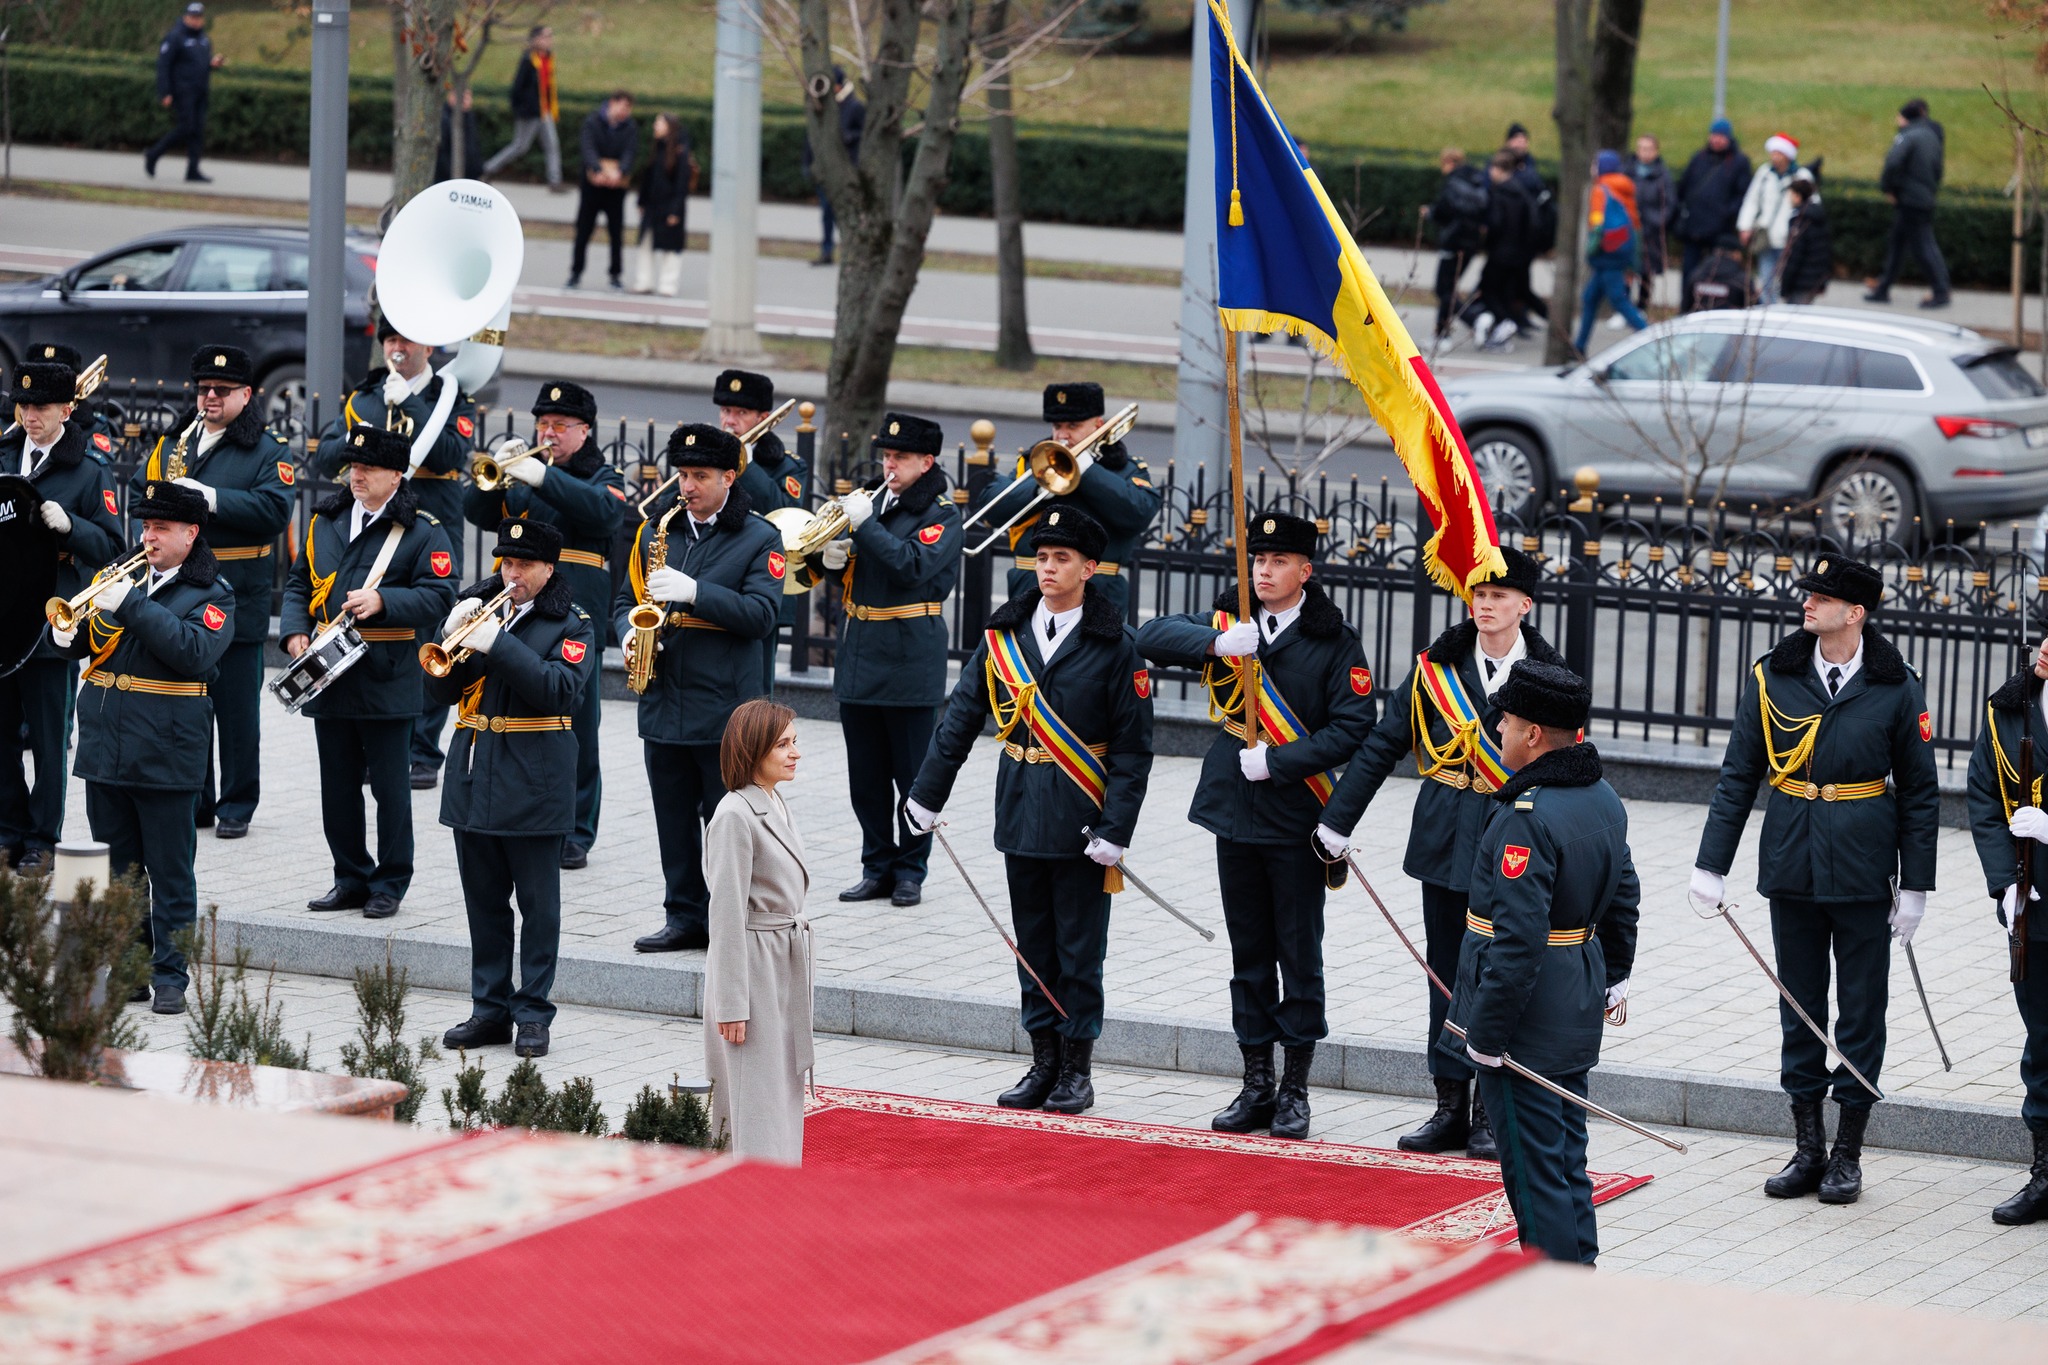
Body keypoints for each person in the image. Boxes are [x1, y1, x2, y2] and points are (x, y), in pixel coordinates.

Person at [1692, 556, 1940, 1206]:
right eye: (1810, 593)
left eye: (1823, 596)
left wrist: (1916, 883)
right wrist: (1710, 863)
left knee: (1861, 1011)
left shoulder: (1895, 685)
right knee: (1799, 1006)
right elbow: (1739, 773)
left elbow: (1919, 790)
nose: (1809, 603)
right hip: (1793, 864)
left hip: (1862, 870)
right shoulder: (1776, 675)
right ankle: (1807, 1146)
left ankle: (1848, 1151)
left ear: (1855, 613)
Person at [1134, 512, 1375, 1140]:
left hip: (1295, 816)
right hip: (1235, 814)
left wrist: (1279, 760)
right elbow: (1149, 635)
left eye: (1277, 562)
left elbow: (1353, 726)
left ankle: (1295, 1088)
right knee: (1248, 954)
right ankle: (1255, 1082)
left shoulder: (1334, 642)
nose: (1263, 571)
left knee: (1297, 953)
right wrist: (1217, 645)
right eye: (1257, 561)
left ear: (1305, 571)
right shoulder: (1231, 623)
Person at [906, 508, 1154, 1115]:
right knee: (1032, 945)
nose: (1048, 568)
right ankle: (1042, 1061)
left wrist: (1117, 830)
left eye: (1062, 558)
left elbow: (1132, 748)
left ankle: (1076, 1069)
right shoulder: (1005, 636)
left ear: (1089, 569)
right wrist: (925, 793)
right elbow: (962, 715)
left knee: (1079, 948)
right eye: (1042, 557)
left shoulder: (1115, 645)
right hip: (1020, 807)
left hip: (1081, 815)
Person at [1314, 547, 1558, 1161]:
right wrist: (1336, 821)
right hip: (1448, 838)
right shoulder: (1435, 668)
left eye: (1498, 596)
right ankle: (1450, 1102)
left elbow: (1567, 765)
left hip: (1516, 842)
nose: (1483, 605)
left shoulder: (1551, 674)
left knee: (1501, 971)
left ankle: (1489, 1110)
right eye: (1477, 594)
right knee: (1447, 974)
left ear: (1524, 605)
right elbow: (1382, 745)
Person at [1446, 660, 1638, 1267]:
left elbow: (1518, 941)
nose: (1498, 730)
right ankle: (1580, 1277)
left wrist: (1487, 1035)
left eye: (1506, 721)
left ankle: (1554, 1297)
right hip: (1576, 992)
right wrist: (1613, 977)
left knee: (1533, 1173)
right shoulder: (1602, 798)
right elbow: (1625, 896)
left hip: (1525, 1013)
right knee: (1565, 1158)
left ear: (1533, 734)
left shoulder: (1525, 818)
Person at [53, 480, 232, 1016]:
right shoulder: (121, 578)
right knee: (119, 872)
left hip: (167, 752)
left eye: (161, 528)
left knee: (171, 871)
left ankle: (171, 975)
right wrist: (65, 638)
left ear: (191, 534)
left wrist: (130, 603)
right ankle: (130, 967)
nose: (148, 537)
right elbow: (90, 638)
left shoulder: (213, 592)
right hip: (108, 747)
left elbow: (193, 652)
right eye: (146, 526)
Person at [431, 518, 596, 1062]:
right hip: (475, 776)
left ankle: (532, 1013)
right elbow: (440, 691)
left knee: (538, 908)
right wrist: (449, 638)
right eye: (506, 562)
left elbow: (557, 691)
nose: (512, 573)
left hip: (534, 783)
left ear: (550, 568)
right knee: (484, 904)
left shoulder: (572, 625)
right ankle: (489, 1010)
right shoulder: (485, 611)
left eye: (524, 564)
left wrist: (496, 643)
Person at [280, 426, 458, 921]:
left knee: (389, 788)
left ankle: (390, 882)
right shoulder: (326, 519)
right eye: (352, 467)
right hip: (329, 671)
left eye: (369, 469)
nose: (356, 475)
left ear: (397, 475)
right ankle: (349, 876)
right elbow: (299, 582)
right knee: (336, 784)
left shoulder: (423, 529)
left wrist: (385, 601)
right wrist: (294, 631)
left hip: (386, 672)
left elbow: (442, 594)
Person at [618, 423, 783, 954]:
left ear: (729, 477)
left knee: (728, 824)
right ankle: (683, 914)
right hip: (664, 700)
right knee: (672, 821)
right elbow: (625, 601)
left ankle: (734, 922)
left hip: (724, 707)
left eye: (700, 476)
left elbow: (761, 615)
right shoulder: (655, 531)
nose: (687, 486)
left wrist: (695, 592)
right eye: (683, 474)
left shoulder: (760, 537)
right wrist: (627, 632)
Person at [131, 346, 293, 840]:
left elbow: (274, 511)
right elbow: (142, 490)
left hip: (237, 597)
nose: (211, 397)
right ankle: (198, 800)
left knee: (237, 710)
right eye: (204, 389)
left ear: (246, 394)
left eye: (222, 390)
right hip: (181, 596)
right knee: (189, 702)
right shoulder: (176, 440)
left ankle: (238, 804)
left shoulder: (269, 450)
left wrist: (210, 498)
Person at [464, 381, 624, 871]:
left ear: (584, 430)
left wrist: (542, 476)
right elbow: (476, 512)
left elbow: (603, 515)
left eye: (559, 426)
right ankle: (530, 816)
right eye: (542, 425)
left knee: (578, 724)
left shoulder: (602, 473)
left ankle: (577, 830)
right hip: (521, 607)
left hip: (577, 613)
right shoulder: (526, 476)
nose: (548, 433)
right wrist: (498, 475)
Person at [313, 317, 478, 788]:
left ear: (427, 345)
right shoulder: (363, 397)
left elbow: (449, 454)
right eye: (389, 339)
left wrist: (412, 406)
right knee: (373, 628)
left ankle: (424, 748)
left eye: (405, 338)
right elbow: (325, 457)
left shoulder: (449, 398)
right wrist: (363, 441)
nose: (396, 347)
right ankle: (377, 741)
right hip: (372, 527)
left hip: (428, 527)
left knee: (430, 633)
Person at [821, 412, 961, 908]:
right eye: (885, 456)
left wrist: (866, 527)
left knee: (912, 776)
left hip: (908, 656)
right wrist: (829, 561)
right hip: (861, 653)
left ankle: (910, 870)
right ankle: (876, 865)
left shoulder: (940, 514)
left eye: (900, 458)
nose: (889, 466)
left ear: (927, 462)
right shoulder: (875, 504)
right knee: (867, 777)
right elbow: (862, 576)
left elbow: (909, 567)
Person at [0, 360, 123, 875]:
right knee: (2, 734)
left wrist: (71, 525)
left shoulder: (88, 470)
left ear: (67, 410)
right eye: (24, 406)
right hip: (3, 617)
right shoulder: (4, 455)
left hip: (53, 625)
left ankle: (42, 838)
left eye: (42, 407)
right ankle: (7, 829)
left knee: (49, 739)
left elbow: (114, 547)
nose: (31, 415)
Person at [704, 698, 815, 1164]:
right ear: (753, 751)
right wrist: (731, 1003)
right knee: (755, 1094)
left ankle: (780, 1183)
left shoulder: (773, 799)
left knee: (778, 1085)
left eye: (795, 742)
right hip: (753, 966)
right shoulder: (734, 815)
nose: (795, 753)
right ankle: (753, 1197)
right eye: (783, 745)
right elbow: (725, 913)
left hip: (779, 961)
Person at [1966, 636, 2048, 1225]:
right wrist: (2006, 882)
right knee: (2042, 1040)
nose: (2046, 646)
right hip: (2036, 907)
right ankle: (2044, 1173)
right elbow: (1982, 797)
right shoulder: (2010, 708)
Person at [966, 383, 1160, 619]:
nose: (1062, 435)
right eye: (1057, 426)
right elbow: (992, 509)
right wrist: (1038, 487)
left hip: (1098, 589)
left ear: (1099, 425)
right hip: (1031, 586)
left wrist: (1087, 470)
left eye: (1073, 426)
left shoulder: (1125, 468)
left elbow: (1139, 512)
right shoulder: (1034, 463)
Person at [719, 369, 808, 695]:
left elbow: (783, 513)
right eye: (726, 411)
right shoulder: (709, 460)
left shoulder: (788, 465)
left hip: (762, 587)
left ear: (764, 418)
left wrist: (747, 461)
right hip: (716, 580)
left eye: (741, 413)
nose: (730, 421)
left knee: (755, 693)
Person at [1867, 98, 1951, 309]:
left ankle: (1940, 291)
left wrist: (1888, 189)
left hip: (1910, 200)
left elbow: (1893, 163)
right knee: (1899, 243)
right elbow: (1938, 170)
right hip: (1923, 197)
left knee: (1922, 245)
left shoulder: (1908, 137)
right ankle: (1883, 287)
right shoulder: (1932, 136)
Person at [1572, 150, 1648, 354]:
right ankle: (1579, 346)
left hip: (1606, 255)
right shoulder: (1624, 187)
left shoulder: (1600, 190)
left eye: (1595, 164)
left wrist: (1590, 250)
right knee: (1590, 298)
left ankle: (1651, 337)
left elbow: (1597, 223)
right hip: (1622, 251)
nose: (1592, 168)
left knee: (1619, 300)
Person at [1673, 118, 1752, 302]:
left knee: (1716, 273)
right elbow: (1683, 188)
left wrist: (1726, 213)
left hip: (1719, 230)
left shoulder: (1739, 162)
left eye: (1721, 136)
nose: (1716, 140)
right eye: (1714, 135)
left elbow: (1743, 194)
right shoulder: (1698, 158)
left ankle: (1713, 305)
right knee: (1690, 271)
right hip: (1694, 228)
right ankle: (1687, 305)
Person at [145, 2, 223, 184]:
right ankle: (153, 154)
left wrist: (212, 64)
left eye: (199, 17)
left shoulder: (204, 40)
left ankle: (192, 170)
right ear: (185, 17)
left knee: (197, 130)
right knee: (186, 127)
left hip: (200, 91)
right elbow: (163, 66)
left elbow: (200, 64)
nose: (196, 21)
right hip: (183, 91)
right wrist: (165, 92)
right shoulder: (175, 37)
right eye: (193, 17)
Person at [569, 91, 638, 290]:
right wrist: (597, 170)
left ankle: (615, 275)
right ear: (612, 104)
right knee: (583, 230)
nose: (626, 112)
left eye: (628, 109)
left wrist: (620, 172)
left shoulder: (630, 128)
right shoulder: (593, 122)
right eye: (624, 107)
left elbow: (630, 152)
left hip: (615, 189)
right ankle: (575, 272)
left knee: (616, 233)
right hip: (592, 187)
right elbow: (587, 148)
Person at [482, 25, 564, 192]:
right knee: (520, 146)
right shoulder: (528, 60)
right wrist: (522, 110)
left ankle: (555, 181)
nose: (549, 40)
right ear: (535, 39)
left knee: (552, 145)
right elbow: (517, 89)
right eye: (545, 36)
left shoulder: (548, 59)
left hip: (545, 111)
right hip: (530, 113)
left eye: (550, 36)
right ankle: (488, 168)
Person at [1472, 151, 1536, 351]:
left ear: (1499, 170)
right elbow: (1531, 223)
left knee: (1488, 289)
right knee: (1505, 292)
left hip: (1500, 251)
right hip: (1517, 253)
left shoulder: (1499, 194)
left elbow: (1495, 223)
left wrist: (1486, 238)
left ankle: (1504, 321)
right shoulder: (1522, 193)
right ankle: (1502, 329)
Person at [1425, 148, 1488, 345]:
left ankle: (1474, 320)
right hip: (1470, 244)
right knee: (1448, 289)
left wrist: (1430, 213)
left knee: (1443, 289)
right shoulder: (1476, 181)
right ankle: (1442, 333)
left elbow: (1444, 211)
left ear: (1449, 163)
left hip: (1453, 243)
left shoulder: (1452, 184)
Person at [803, 67, 865, 266]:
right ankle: (827, 250)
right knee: (827, 212)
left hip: (846, 167)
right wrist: (808, 162)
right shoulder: (823, 106)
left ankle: (851, 250)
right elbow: (812, 137)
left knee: (844, 213)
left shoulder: (854, 106)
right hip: (826, 168)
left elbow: (865, 135)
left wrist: (850, 138)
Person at [632, 113, 695, 297]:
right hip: (652, 205)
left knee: (671, 246)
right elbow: (648, 178)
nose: (655, 126)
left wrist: (675, 211)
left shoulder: (680, 151)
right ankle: (644, 281)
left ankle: (668, 284)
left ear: (669, 127)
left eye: (658, 123)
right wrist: (642, 201)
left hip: (670, 206)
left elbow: (682, 183)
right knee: (645, 243)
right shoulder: (658, 148)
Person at [24, 341, 123, 458]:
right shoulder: (12, 419)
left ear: (78, 379)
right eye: (39, 378)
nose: (47, 385)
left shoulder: (95, 427)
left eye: (57, 379)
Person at [1738, 133, 1801, 305]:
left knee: (1786, 280)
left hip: (1787, 238)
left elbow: (1809, 206)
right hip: (1766, 236)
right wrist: (1745, 225)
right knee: (1766, 279)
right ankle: (1768, 312)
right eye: (1773, 153)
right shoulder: (1764, 173)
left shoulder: (1801, 176)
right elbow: (1752, 200)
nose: (1774, 157)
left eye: (1778, 153)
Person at [1627, 134, 1673, 315]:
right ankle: (1625, 308)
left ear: (1655, 151)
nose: (1644, 153)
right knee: (1628, 269)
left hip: (1650, 230)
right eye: (1641, 148)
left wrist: (1655, 220)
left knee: (1647, 270)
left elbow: (1669, 204)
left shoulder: (1662, 175)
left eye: (1648, 149)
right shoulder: (1628, 171)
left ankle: (1641, 307)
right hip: (1630, 229)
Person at [1778, 171, 1833, 306]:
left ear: (1797, 196)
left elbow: (1795, 256)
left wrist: (1785, 286)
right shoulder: (1817, 217)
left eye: (1790, 195)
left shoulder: (1800, 221)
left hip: (1800, 281)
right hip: (1813, 280)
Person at [1686, 233, 1753, 312]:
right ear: (1735, 253)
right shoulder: (1742, 280)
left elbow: (1686, 309)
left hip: (1699, 322)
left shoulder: (1696, 275)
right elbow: (1753, 310)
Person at [434, 87, 484, 184]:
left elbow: (474, 147)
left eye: (468, 97)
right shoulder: (444, 119)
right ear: (451, 96)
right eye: (462, 97)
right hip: (448, 179)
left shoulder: (468, 117)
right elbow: (442, 152)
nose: (465, 101)